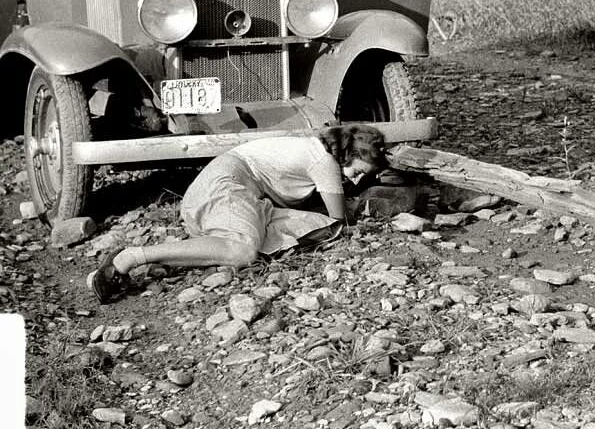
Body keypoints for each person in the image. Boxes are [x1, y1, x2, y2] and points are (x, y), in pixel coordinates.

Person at [86, 124, 388, 303]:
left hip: (224, 194)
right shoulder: (325, 162)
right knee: (244, 251)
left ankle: (170, 259)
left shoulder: (314, 149)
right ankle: (130, 257)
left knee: (314, 228)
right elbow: (341, 217)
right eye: (359, 172)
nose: (357, 180)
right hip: (225, 186)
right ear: (350, 154)